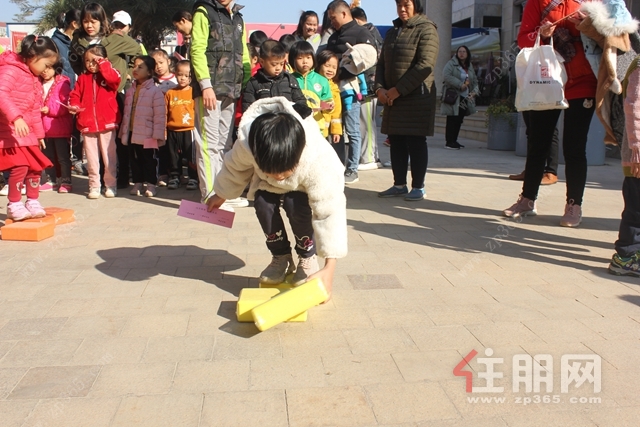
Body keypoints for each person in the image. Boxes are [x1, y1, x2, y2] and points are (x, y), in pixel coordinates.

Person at [206, 98, 347, 296]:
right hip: (267, 186)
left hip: (302, 187)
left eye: (286, 172)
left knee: (295, 205)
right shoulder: (248, 144)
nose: (280, 177)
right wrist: (221, 194)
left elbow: (330, 212)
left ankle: (307, 256)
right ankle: (280, 256)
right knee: (262, 204)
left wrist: (329, 269)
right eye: (272, 171)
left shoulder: (318, 159)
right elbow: (234, 168)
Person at [502, 0, 597, 227]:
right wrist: (542, 33)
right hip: (547, 80)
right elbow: (524, 38)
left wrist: (587, 25)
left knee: (574, 146)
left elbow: (606, 36)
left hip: (583, 81)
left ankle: (574, 204)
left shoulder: (590, 2)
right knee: (538, 142)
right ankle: (528, 200)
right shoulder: (538, 2)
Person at [375, 0, 439, 201]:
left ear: (416, 4)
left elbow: (425, 65)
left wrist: (397, 91)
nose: (402, 9)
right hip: (393, 99)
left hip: (416, 98)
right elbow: (381, 64)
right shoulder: (393, 32)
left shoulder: (427, 29)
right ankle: (399, 184)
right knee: (396, 140)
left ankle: (418, 187)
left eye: (406, 4)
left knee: (415, 141)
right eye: (399, 5)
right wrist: (379, 89)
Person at [190, 0, 251, 207]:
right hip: (210, 88)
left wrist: (244, 82)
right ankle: (209, 195)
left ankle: (224, 194)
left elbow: (243, 53)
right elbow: (197, 50)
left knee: (225, 145)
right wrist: (205, 85)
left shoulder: (238, 17)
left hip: (231, 89)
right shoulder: (203, 12)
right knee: (208, 145)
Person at [0, 36, 57, 221]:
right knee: (20, 166)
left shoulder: (33, 78)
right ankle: (14, 204)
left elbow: (34, 109)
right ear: (33, 56)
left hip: (27, 133)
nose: (47, 70)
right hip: (9, 131)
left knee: (35, 167)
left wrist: (39, 134)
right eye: (46, 65)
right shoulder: (11, 70)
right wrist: (15, 117)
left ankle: (32, 200)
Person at [326, 0, 376, 184]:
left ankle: (352, 168)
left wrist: (344, 73)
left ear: (344, 14)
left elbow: (369, 60)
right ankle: (337, 165)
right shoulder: (332, 37)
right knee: (335, 127)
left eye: (333, 18)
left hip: (351, 90)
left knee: (352, 129)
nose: (332, 22)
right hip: (331, 89)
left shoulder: (362, 33)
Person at [68, 45, 120, 199]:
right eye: (87, 61)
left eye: (94, 60)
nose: (90, 64)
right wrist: (75, 106)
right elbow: (75, 95)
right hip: (88, 124)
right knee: (91, 158)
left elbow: (114, 80)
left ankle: (111, 185)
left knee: (109, 157)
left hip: (107, 124)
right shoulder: (83, 79)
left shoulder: (110, 74)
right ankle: (94, 185)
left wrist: (103, 64)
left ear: (103, 60)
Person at [609, 55, 640, 275]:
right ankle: (625, 257)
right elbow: (633, 106)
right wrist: (637, 146)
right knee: (636, 210)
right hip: (637, 157)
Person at [119, 56, 167, 197]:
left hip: (149, 134)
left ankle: (151, 184)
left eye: (140, 67)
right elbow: (127, 113)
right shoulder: (130, 90)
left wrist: (158, 134)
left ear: (150, 72)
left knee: (149, 160)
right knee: (134, 159)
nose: (136, 69)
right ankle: (138, 183)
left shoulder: (155, 91)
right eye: (135, 66)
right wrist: (124, 131)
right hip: (133, 132)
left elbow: (159, 115)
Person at [351, 6, 383, 169]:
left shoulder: (365, 33)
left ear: (356, 20)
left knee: (366, 122)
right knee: (367, 121)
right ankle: (372, 156)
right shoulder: (373, 32)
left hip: (368, 86)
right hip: (371, 85)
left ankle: (369, 158)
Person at [242, 40, 310, 114]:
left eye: (281, 64)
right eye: (274, 64)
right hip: (264, 123)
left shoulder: (290, 80)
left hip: (288, 122)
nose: (278, 68)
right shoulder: (253, 83)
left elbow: (301, 102)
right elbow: (248, 110)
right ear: (262, 62)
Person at [40, 59, 74, 194]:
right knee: (48, 157)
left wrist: (49, 110)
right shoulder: (38, 83)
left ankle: (66, 180)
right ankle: (51, 179)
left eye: (48, 68)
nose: (44, 72)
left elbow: (64, 105)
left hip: (59, 128)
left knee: (63, 157)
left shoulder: (62, 83)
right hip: (44, 128)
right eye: (42, 68)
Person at [165, 60, 198, 191]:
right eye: (180, 74)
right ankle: (175, 177)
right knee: (173, 156)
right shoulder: (170, 93)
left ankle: (193, 178)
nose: (183, 78)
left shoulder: (194, 92)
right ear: (175, 74)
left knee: (191, 155)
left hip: (189, 129)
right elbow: (165, 112)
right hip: (172, 129)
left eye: (186, 75)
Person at [290, 41, 334, 135]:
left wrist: (329, 106)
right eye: (300, 58)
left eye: (308, 57)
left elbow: (326, 102)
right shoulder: (289, 79)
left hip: (317, 126)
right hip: (296, 126)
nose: (305, 61)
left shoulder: (322, 80)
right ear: (293, 60)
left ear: (313, 58)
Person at [441, 45, 479, 150]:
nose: (461, 53)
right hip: (454, 96)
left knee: (459, 119)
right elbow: (446, 76)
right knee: (452, 118)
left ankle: (455, 140)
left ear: (467, 54)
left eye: (464, 51)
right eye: (460, 51)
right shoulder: (451, 64)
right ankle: (449, 141)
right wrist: (459, 84)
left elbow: (474, 80)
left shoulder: (469, 66)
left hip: (465, 96)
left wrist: (474, 91)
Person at [316, 49, 344, 163]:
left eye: (334, 67)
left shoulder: (334, 87)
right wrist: (322, 105)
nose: (330, 70)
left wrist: (336, 131)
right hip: (315, 126)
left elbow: (337, 112)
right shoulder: (315, 82)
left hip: (325, 131)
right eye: (327, 66)